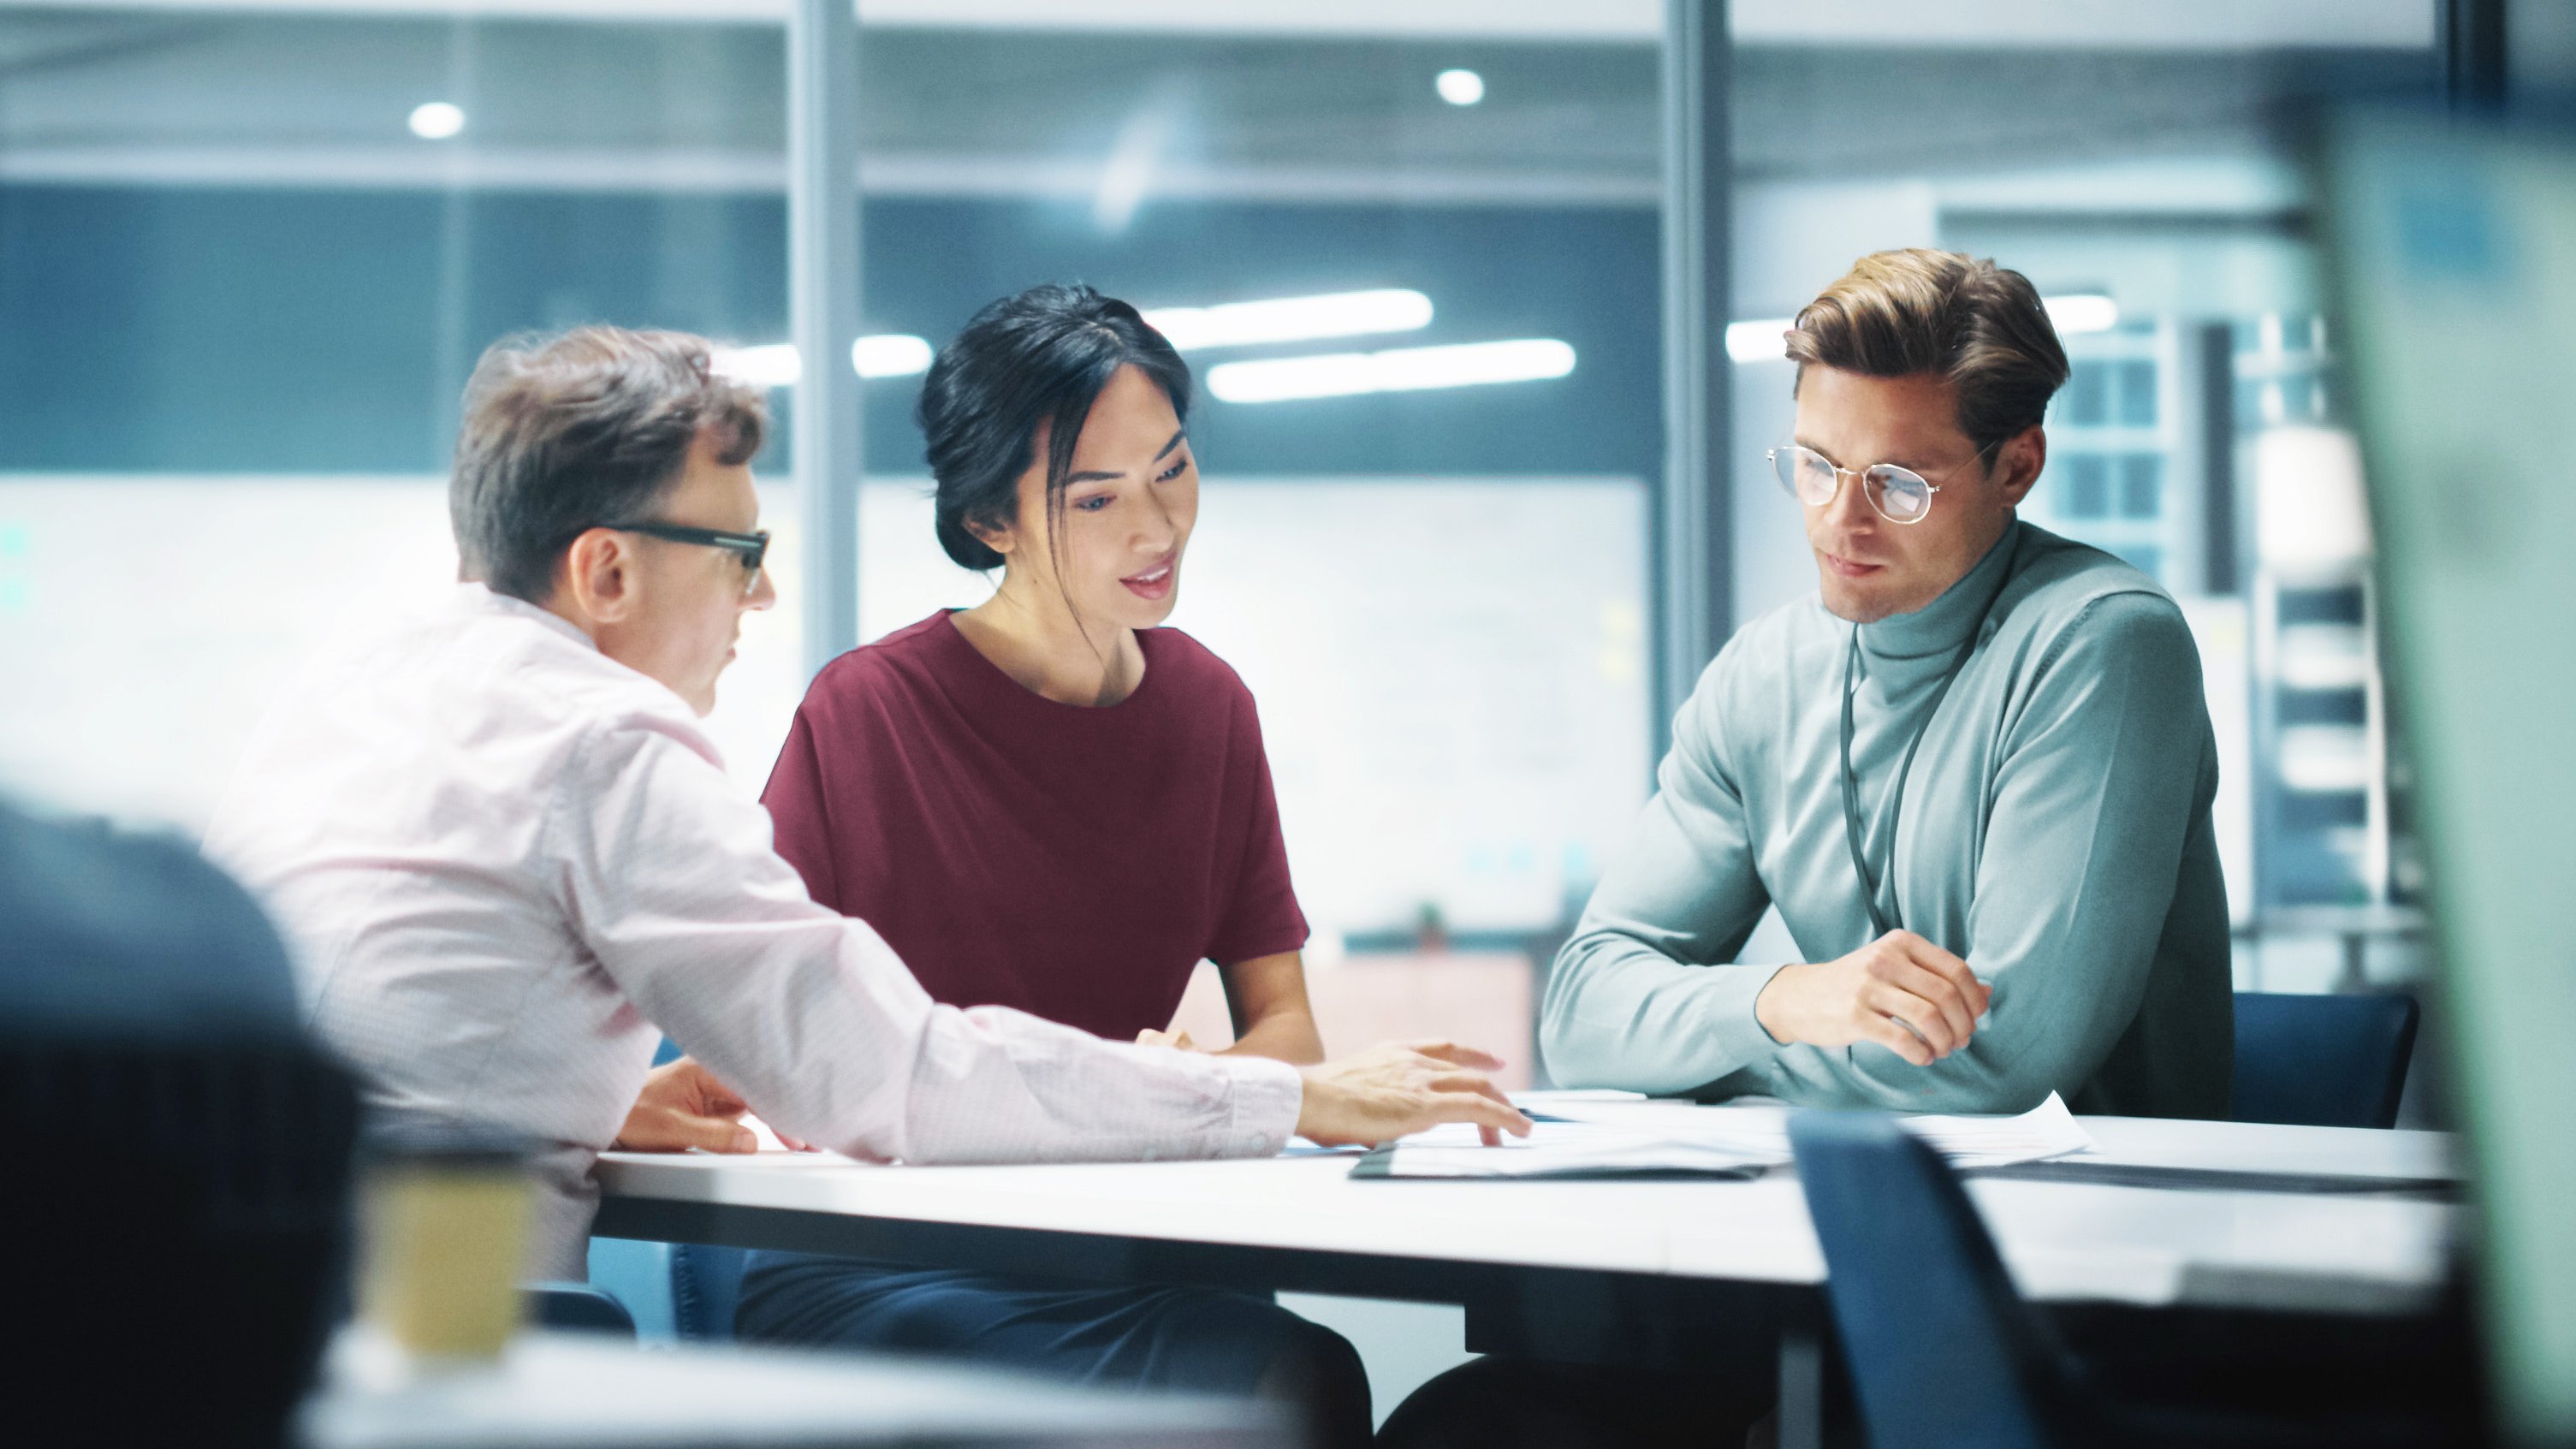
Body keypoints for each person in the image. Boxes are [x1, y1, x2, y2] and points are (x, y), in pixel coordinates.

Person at [201, 325, 1529, 1307]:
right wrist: (1278, 1096)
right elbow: (899, 1079)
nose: (761, 598)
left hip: (218, 1285)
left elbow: (402, 1015)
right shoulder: (608, 741)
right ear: (604, 568)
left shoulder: (360, 684)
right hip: (419, 1303)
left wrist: (586, 1096)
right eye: (738, 555)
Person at [1380, 248, 2231, 1449]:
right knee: (1471, 1423)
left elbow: (2006, 1067)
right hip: (1825, 1243)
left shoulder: (2103, 647)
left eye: (1897, 482)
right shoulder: (1765, 672)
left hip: (2074, 1284)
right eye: (1817, 465)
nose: (1839, 518)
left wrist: (1700, 1045)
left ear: (2016, 466)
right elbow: (1581, 1009)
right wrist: (1787, 999)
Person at [729, 283, 1371, 1440]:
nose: (1156, 527)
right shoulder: (869, 711)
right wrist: (1171, 1094)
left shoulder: (1208, 708)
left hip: (1125, 1235)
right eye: (1096, 496)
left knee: (1300, 1361)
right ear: (990, 520)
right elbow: (776, 1050)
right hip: (885, 1255)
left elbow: (1286, 1031)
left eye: (1172, 470)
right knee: (1270, 1376)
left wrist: (1197, 1074)